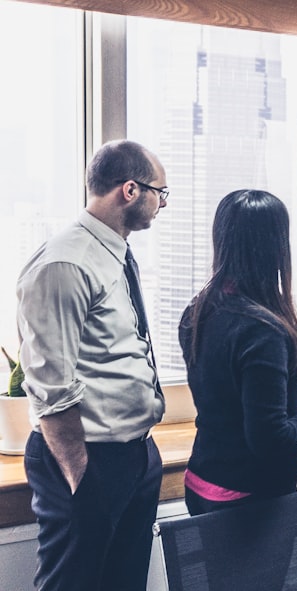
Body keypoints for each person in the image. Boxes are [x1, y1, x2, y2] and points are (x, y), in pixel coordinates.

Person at [16, 139, 169, 590]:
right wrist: (83, 480)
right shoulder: (66, 262)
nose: (162, 202)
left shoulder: (113, 252)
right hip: (88, 461)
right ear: (129, 190)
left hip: (134, 453)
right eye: (160, 192)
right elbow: (50, 389)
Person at [178, 189, 297, 516]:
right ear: (275, 247)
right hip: (251, 501)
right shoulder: (262, 330)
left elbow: (235, 409)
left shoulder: (198, 311)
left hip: (202, 483)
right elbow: (268, 439)